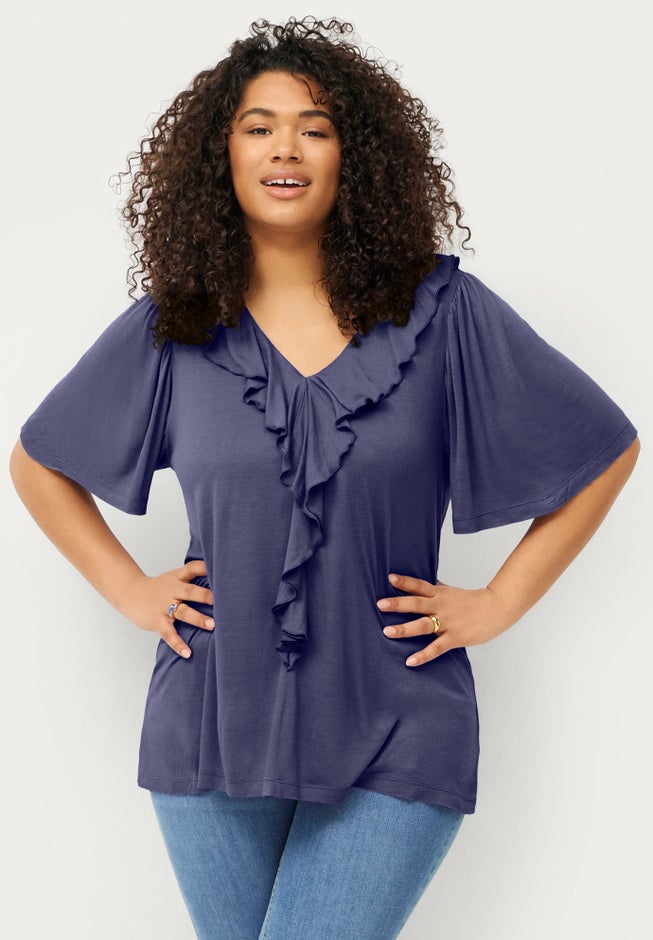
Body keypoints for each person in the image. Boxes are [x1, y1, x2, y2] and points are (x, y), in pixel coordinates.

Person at [9, 15, 640, 940]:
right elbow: (38, 461)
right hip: (212, 720)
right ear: (220, 155)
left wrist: (501, 601)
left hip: (399, 714)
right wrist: (130, 590)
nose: (286, 149)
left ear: (356, 156)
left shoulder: (444, 314)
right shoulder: (175, 326)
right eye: (258, 126)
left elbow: (603, 447)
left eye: (315, 127)